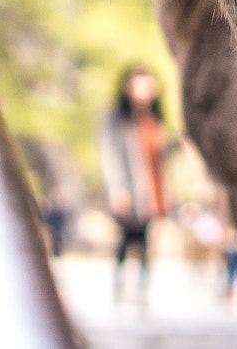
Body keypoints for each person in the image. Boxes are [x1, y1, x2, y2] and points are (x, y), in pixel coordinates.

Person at [99, 64, 176, 305]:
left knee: (145, 239)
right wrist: (117, 188)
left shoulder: (154, 118)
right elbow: (110, 154)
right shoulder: (117, 118)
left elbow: (159, 157)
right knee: (127, 237)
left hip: (151, 192)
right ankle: (119, 289)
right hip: (130, 188)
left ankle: (142, 292)